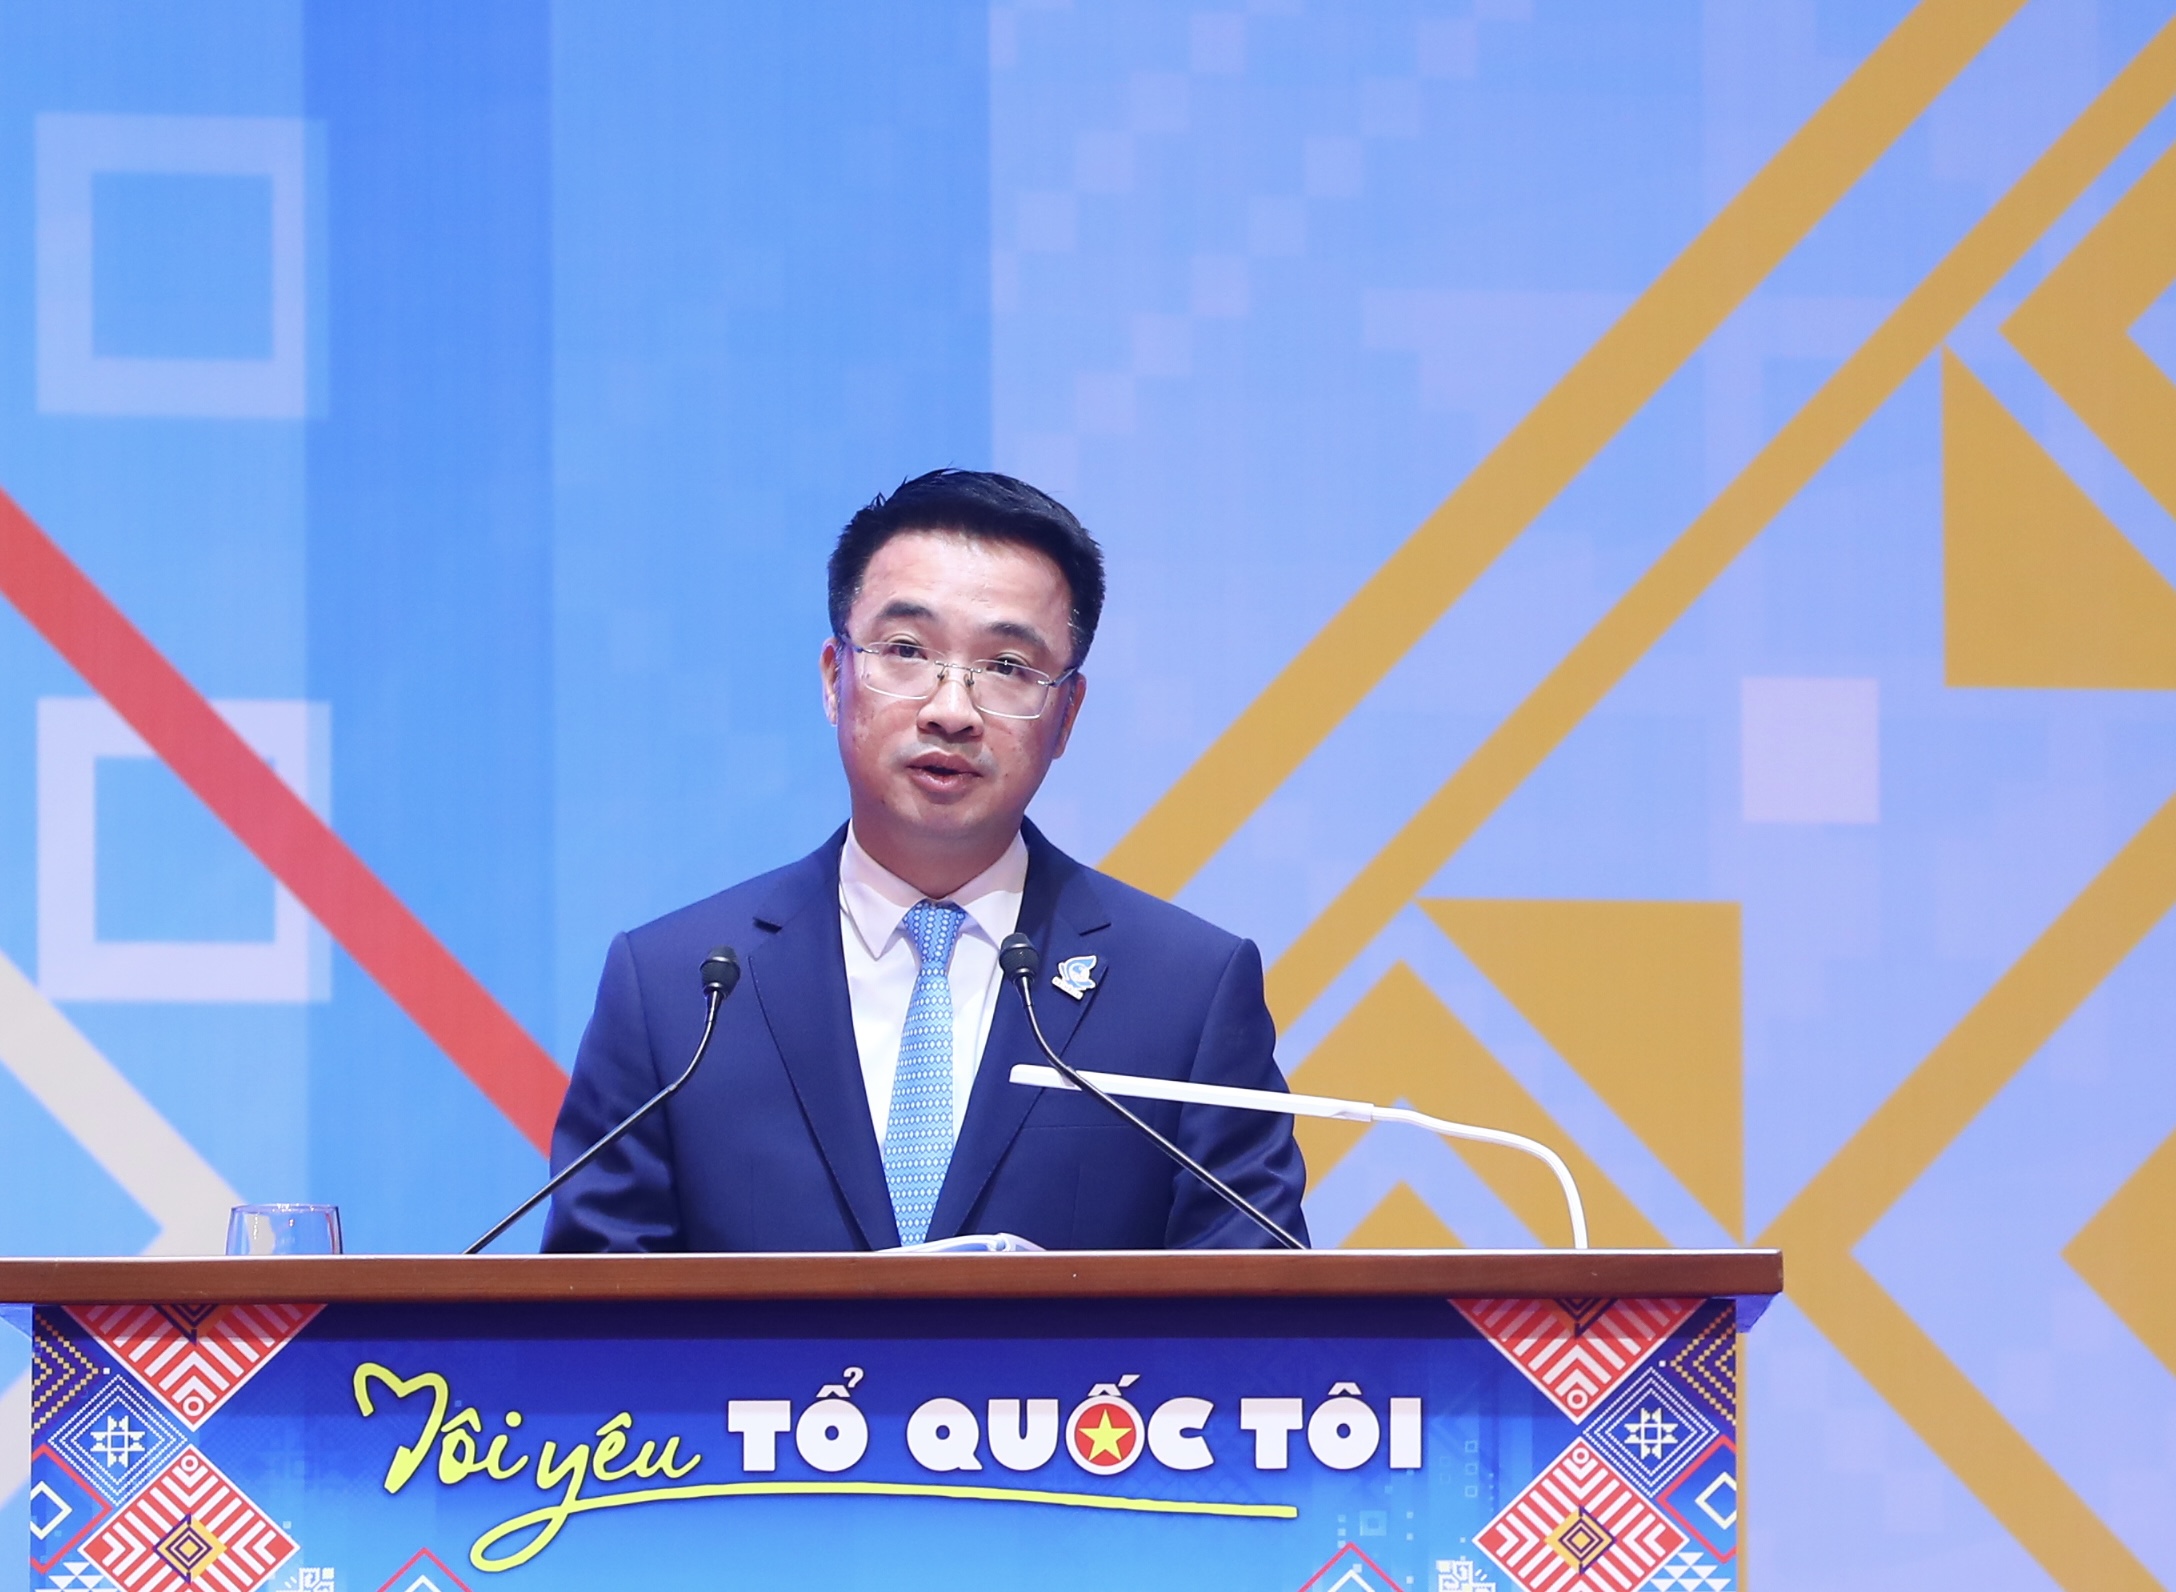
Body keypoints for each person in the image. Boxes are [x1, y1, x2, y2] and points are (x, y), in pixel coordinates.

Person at [542, 469, 1309, 1252]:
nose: (951, 711)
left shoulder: (1185, 992)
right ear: (836, 678)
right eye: (906, 651)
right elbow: (592, 1304)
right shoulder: (677, 992)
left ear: (1067, 714)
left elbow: (1257, 1301)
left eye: (1007, 667)